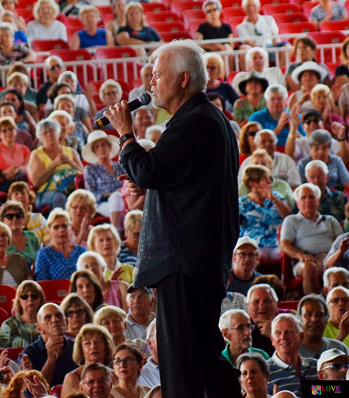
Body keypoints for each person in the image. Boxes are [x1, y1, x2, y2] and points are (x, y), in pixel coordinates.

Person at [104, 40, 242, 398]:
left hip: (184, 262)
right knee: (202, 356)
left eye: (157, 74)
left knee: (183, 361)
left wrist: (124, 133)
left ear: (183, 79)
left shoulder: (193, 121)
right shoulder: (211, 119)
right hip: (198, 258)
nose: (151, 83)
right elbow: (173, 179)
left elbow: (150, 171)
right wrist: (144, 177)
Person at [281, 183, 341, 294]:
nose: (308, 200)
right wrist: (301, 255)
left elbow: (341, 242)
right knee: (310, 267)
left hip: (330, 258)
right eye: (303, 197)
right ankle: (314, 302)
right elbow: (284, 245)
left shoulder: (330, 220)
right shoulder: (291, 220)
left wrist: (333, 256)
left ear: (318, 201)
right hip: (305, 260)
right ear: (297, 203)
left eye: (311, 197)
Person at [28, 118, 83, 209]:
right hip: (47, 192)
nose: (49, 134)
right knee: (60, 198)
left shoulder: (71, 151)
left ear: (58, 133)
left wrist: (71, 163)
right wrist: (54, 164)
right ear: (40, 138)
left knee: (83, 196)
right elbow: (36, 182)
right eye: (45, 133)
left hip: (72, 188)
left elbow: (84, 174)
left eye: (51, 131)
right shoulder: (36, 154)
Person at [19, 303, 78, 386]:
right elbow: (34, 391)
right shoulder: (29, 354)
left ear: (66, 322)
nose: (55, 320)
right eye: (48, 317)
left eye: (59, 315)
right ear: (39, 328)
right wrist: (51, 359)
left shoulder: (77, 347)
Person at [239, 165, 290, 260]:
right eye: (265, 179)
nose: (269, 182)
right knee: (257, 256)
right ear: (252, 183)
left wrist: (273, 199)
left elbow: (287, 217)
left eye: (269, 178)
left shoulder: (277, 196)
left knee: (284, 256)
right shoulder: (241, 203)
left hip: (276, 242)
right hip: (254, 243)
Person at [266, 314, 318, 396]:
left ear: (301, 336)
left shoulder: (316, 366)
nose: (283, 337)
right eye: (278, 333)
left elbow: (336, 389)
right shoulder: (264, 371)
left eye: (289, 332)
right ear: (272, 340)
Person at [82, 131, 124, 226]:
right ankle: (116, 233)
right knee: (116, 198)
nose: (101, 148)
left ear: (109, 147)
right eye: (97, 147)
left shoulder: (119, 166)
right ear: (94, 152)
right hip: (102, 204)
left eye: (104, 144)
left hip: (124, 200)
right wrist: (113, 193)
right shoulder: (90, 169)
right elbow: (91, 195)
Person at [62, 324, 114, 396]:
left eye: (98, 342)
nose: (93, 346)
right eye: (87, 343)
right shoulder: (72, 377)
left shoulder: (115, 375)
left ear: (106, 346)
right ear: (80, 348)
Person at [34, 208, 86, 281]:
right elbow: (41, 283)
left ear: (70, 229)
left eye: (64, 226)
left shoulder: (82, 251)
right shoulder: (44, 254)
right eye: (56, 227)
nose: (61, 230)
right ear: (49, 232)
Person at [0, 116, 30, 194]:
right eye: (4, 131)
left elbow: (29, 166)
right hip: (2, 182)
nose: (8, 133)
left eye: (11, 129)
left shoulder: (24, 149)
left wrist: (17, 170)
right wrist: (4, 172)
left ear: (16, 131)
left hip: (21, 181)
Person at [297, 294, 349, 360]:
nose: (314, 319)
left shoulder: (340, 348)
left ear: (326, 320)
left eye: (319, 315)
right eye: (309, 314)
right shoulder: (293, 350)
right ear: (299, 319)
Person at [0, 281, 44, 349]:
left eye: (35, 296)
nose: (30, 299)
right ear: (18, 300)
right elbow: (1, 351)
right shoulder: (9, 324)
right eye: (24, 296)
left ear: (41, 299)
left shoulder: (48, 322)